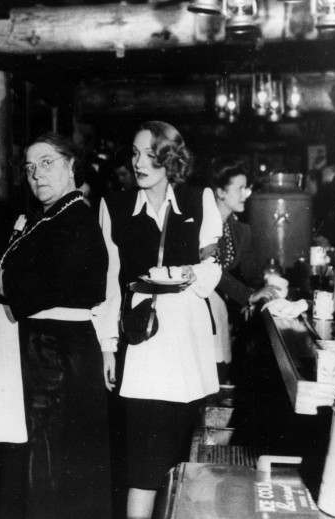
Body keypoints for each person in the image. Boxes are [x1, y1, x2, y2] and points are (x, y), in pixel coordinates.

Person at [0, 133, 112, 519]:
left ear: (70, 166)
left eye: (47, 163)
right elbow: (27, 269)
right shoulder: (46, 217)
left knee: (49, 468)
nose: (36, 175)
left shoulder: (77, 218)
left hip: (58, 357)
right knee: (36, 465)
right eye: (29, 168)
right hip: (42, 351)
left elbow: (43, 285)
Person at [98, 121, 222, 519]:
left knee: (181, 455)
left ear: (170, 158)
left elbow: (213, 266)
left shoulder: (198, 199)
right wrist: (107, 347)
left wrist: (190, 275)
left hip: (185, 340)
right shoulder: (114, 207)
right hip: (143, 342)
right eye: (134, 153)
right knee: (142, 463)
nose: (139, 163)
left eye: (150, 154)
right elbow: (109, 286)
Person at [209, 156, 279, 377]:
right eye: (239, 188)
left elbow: (252, 274)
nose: (246, 194)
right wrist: (248, 295)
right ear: (220, 192)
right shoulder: (199, 227)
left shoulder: (240, 230)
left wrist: (268, 287)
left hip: (223, 314)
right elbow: (212, 271)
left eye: (247, 188)